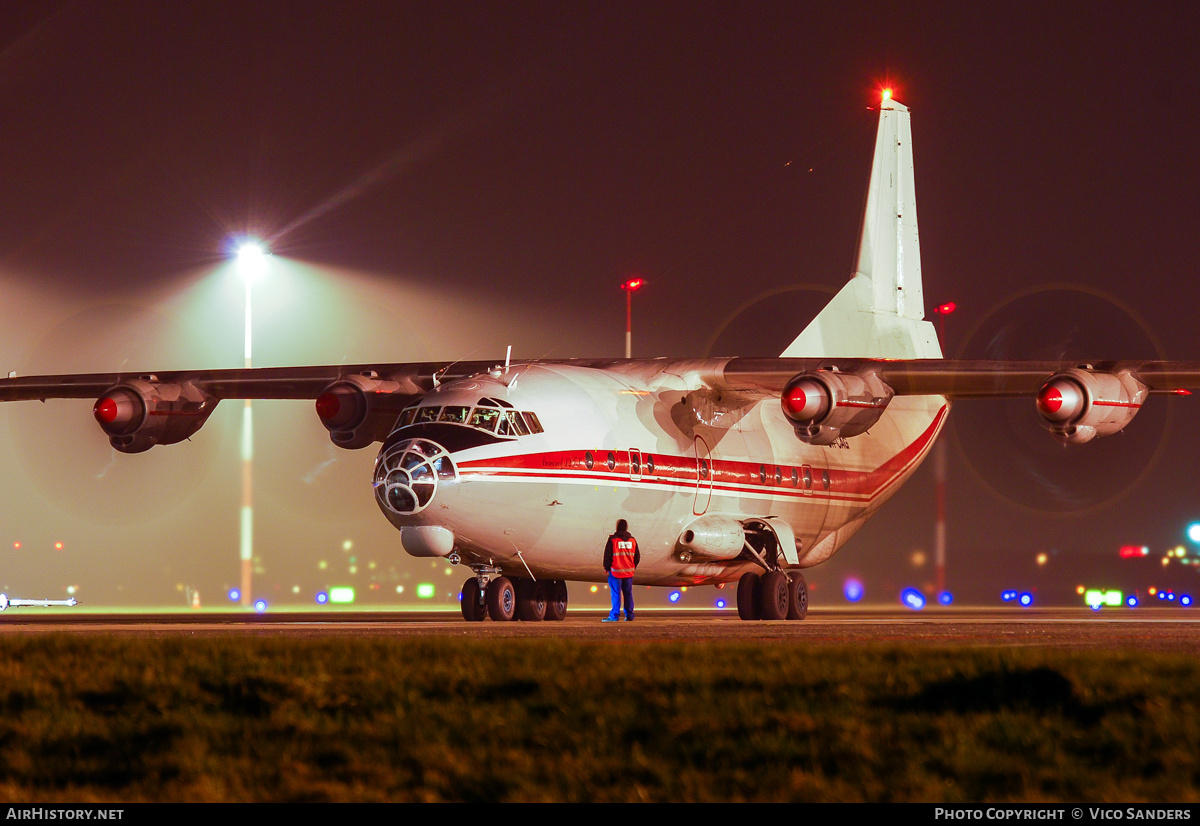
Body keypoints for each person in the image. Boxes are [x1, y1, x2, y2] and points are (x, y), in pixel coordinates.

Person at [602, 518, 639, 622]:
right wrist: (632, 566)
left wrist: (607, 567)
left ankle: (614, 616)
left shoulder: (613, 540)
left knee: (616, 594)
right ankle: (630, 616)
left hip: (616, 571)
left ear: (617, 527)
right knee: (628, 594)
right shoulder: (633, 540)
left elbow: (607, 555)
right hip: (628, 572)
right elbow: (637, 556)